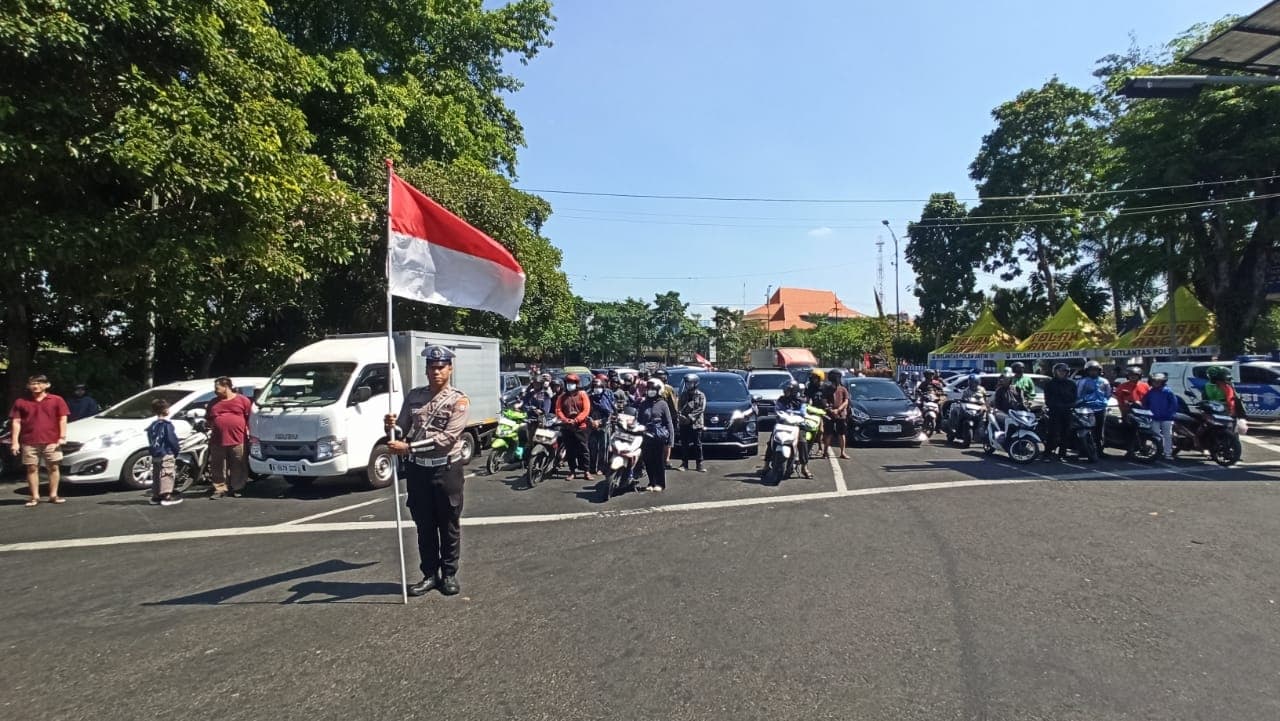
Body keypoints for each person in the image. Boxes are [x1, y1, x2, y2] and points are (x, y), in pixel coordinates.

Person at [385, 344, 470, 597]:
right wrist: (390, 427)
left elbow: (447, 438)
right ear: (426, 370)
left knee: (449, 524)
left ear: (450, 369)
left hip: (446, 469)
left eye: (441, 367)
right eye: (432, 367)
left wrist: (407, 447)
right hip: (419, 472)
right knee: (424, 525)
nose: (436, 372)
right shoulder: (414, 396)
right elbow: (402, 428)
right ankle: (429, 574)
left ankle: (449, 574)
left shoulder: (459, 400)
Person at [8, 374, 70, 507]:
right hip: (29, 440)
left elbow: (63, 418)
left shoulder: (56, 400)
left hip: (52, 440)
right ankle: (34, 496)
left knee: (53, 466)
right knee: (31, 468)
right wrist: (15, 442)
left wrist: (62, 437)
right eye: (33, 383)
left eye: (40, 383)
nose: (36, 386)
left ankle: (53, 495)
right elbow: (16, 421)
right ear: (28, 386)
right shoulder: (21, 401)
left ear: (47, 385)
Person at [207, 377, 252, 498]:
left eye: (217, 388)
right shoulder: (213, 403)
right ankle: (220, 488)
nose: (215, 391)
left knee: (238, 463)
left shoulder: (243, 400)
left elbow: (250, 418)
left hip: (237, 439)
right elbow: (209, 420)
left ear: (226, 387)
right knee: (218, 465)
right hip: (217, 440)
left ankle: (237, 487)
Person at [762, 380, 813, 479]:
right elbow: (778, 409)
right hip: (782, 424)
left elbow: (803, 412)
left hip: (796, 425)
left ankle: (804, 467)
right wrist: (781, 414)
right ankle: (766, 465)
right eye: (785, 390)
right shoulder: (781, 400)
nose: (785, 392)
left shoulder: (801, 401)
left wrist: (800, 418)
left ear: (794, 391)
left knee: (802, 442)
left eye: (787, 390)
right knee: (772, 440)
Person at [636, 378, 674, 492]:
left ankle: (660, 483)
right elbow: (639, 420)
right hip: (646, 436)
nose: (650, 391)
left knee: (659, 461)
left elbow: (668, 422)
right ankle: (651, 482)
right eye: (648, 389)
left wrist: (670, 440)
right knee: (648, 461)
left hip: (658, 437)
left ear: (657, 391)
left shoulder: (663, 404)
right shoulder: (643, 404)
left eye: (653, 389)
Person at [555, 373, 593, 480]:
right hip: (567, 427)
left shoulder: (582, 394)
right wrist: (565, 420)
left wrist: (576, 420)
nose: (570, 385)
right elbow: (558, 410)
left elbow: (586, 410)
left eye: (572, 383)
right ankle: (572, 472)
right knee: (570, 450)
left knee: (583, 449)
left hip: (580, 426)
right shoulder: (562, 397)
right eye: (568, 383)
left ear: (576, 384)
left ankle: (586, 471)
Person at [145, 398, 183, 506]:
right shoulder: (167, 425)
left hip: (155, 453)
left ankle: (156, 496)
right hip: (166, 452)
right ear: (165, 410)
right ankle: (166, 496)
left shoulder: (152, 425)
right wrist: (176, 450)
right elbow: (171, 439)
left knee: (156, 475)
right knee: (167, 474)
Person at [1076, 360, 1112, 458]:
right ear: (1087, 371)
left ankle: (1100, 450)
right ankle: (1084, 450)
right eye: (1091, 370)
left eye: (1095, 370)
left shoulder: (1104, 381)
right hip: (1087, 409)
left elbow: (1108, 394)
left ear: (1099, 371)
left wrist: (1102, 402)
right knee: (1086, 431)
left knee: (1100, 431)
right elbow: (1078, 395)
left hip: (1101, 409)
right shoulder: (1082, 381)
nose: (1093, 372)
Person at [1043, 363, 1077, 461]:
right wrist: (1055, 406)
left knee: (1065, 434)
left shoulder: (1072, 384)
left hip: (1067, 411)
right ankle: (1047, 454)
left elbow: (1074, 398)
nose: (1063, 373)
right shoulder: (1050, 384)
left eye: (1065, 371)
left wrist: (1070, 405)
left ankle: (1062, 454)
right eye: (1061, 371)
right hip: (1054, 412)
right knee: (1052, 433)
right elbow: (1047, 400)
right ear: (1055, 372)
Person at [1143, 372, 1179, 460]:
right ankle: (1157, 451)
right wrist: (1148, 413)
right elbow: (1145, 403)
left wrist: (1170, 414)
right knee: (1155, 436)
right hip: (1154, 417)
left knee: (1168, 435)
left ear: (1162, 382)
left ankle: (1168, 453)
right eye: (1154, 382)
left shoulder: (1168, 391)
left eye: (1158, 382)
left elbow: (1174, 404)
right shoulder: (1150, 392)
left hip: (1167, 418)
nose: (1156, 383)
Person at [676, 373, 707, 472]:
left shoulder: (701, 395)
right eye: (687, 383)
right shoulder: (683, 394)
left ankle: (699, 464)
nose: (688, 385)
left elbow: (700, 409)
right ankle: (684, 464)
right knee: (684, 444)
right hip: (684, 423)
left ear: (695, 383)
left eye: (690, 383)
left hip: (696, 423)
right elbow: (679, 406)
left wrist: (690, 417)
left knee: (697, 444)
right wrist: (681, 416)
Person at [587, 374, 614, 475]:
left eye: (599, 387)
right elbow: (585, 411)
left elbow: (610, 412)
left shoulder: (607, 396)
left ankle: (601, 468)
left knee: (604, 447)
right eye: (595, 387)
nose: (597, 389)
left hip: (604, 425)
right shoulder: (589, 397)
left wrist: (600, 422)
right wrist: (591, 421)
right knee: (592, 447)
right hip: (591, 425)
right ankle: (592, 467)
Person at [946, 373, 985, 439]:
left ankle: (983, 433)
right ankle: (954, 429)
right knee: (957, 412)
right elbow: (963, 399)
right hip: (969, 407)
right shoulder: (967, 390)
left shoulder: (982, 389)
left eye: (974, 382)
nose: (973, 384)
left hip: (978, 407)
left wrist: (984, 405)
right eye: (971, 382)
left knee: (984, 418)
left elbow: (985, 399)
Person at [653, 369, 678, 469]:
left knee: (667, 439)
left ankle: (666, 460)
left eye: (662, 376)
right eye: (658, 376)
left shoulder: (668, 389)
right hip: (653, 416)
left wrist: (674, 417)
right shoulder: (651, 387)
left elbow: (673, 404)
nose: (660, 378)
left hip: (665, 416)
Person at [823, 369, 850, 460]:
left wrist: (838, 410)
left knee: (841, 434)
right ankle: (825, 452)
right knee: (828, 433)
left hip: (841, 415)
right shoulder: (827, 389)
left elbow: (846, 401)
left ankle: (842, 452)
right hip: (829, 415)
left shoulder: (843, 389)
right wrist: (830, 410)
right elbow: (824, 401)